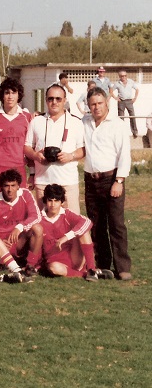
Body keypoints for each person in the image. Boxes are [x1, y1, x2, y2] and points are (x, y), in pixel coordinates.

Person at [82, 87, 132, 280]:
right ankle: (102, 264)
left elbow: (124, 155)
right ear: (88, 106)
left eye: (100, 103)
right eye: (93, 104)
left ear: (106, 103)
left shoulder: (117, 125)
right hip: (91, 180)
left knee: (116, 224)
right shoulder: (85, 122)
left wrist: (119, 180)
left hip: (111, 179)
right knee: (96, 224)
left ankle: (122, 267)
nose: (97, 107)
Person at [24, 83, 85, 213]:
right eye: (50, 99)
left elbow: (82, 150)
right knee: (43, 222)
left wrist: (70, 156)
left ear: (65, 100)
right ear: (46, 100)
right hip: (43, 181)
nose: (54, 102)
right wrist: (36, 156)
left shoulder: (76, 122)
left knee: (71, 221)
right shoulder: (36, 121)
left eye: (58, 99)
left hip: (67, 182)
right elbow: (27, 147)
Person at [40, 184, 114, 281]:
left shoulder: (67, 214)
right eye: (50, 200)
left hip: (74, 256)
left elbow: (87, 222)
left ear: (62, 202)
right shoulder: (39, 219)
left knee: (83, 231)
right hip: (56, 262)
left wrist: (66, 237)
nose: (53, 205)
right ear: (45, 201)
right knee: (54, 268)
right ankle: (86, 274)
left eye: (56, 201)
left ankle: (91, 269)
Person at [0, 168, 43, 278]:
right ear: (1, 187)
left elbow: (36, 216)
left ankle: (31, 266)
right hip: (3, 243)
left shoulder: (26, 194)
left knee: (37, 228)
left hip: (20, 240)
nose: (10, 190)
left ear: (18, 186)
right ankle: (4, 263)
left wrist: (19, 227)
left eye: (13, 185)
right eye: (6, 186)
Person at [110, 70, 139, 138]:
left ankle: (135, 132)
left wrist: (135, 98)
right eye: (122, 76)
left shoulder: (131, 81)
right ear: (119, 76)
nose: (124, 77)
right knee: (121, 118)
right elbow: (111, 91)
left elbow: (137, 89)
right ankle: (121, 133)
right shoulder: (117, 83)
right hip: (121, 101)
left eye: (125, 75)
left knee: (132, 116)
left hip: (129, 101)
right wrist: (115, 98)